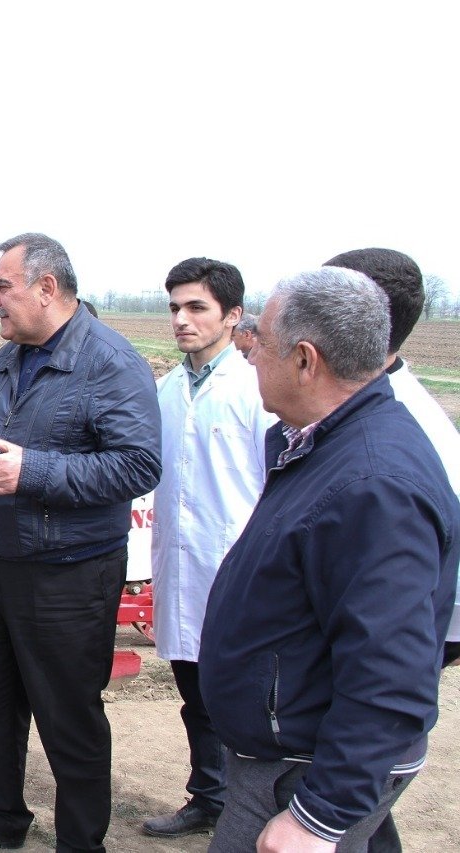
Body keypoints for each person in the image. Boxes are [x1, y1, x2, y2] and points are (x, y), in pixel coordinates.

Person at [0, 233, 162, 853]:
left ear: (47, 288)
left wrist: (37, 472)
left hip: (68, 575)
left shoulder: (111, 363)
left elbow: (139, 466)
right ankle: (3, 818)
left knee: (68, 715)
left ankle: (80, 841)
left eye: (2, 286)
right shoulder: (7, 358)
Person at [200, 267, 459, 853]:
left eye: (260, 342)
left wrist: (321, 815)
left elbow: (392, 672)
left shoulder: (372, 484)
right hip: (292, 749)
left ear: (305, 360)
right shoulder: (321, 444)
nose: (248, 356)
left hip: (303, 767)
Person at [323, 248, 460, 852]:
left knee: (358, 781)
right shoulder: (361, 411)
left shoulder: (397, 440)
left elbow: (391, 647)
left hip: (400, 641)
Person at [143, 258, 275, 839]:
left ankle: (256, 812)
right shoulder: (166, 390)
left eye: (196, 307)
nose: (181, 319)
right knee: (195, 695)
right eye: (175, 307)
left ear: (233, 315)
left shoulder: (256, 390)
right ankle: (208, 796)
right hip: (180, 566)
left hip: (243, 571)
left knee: (245, 702)